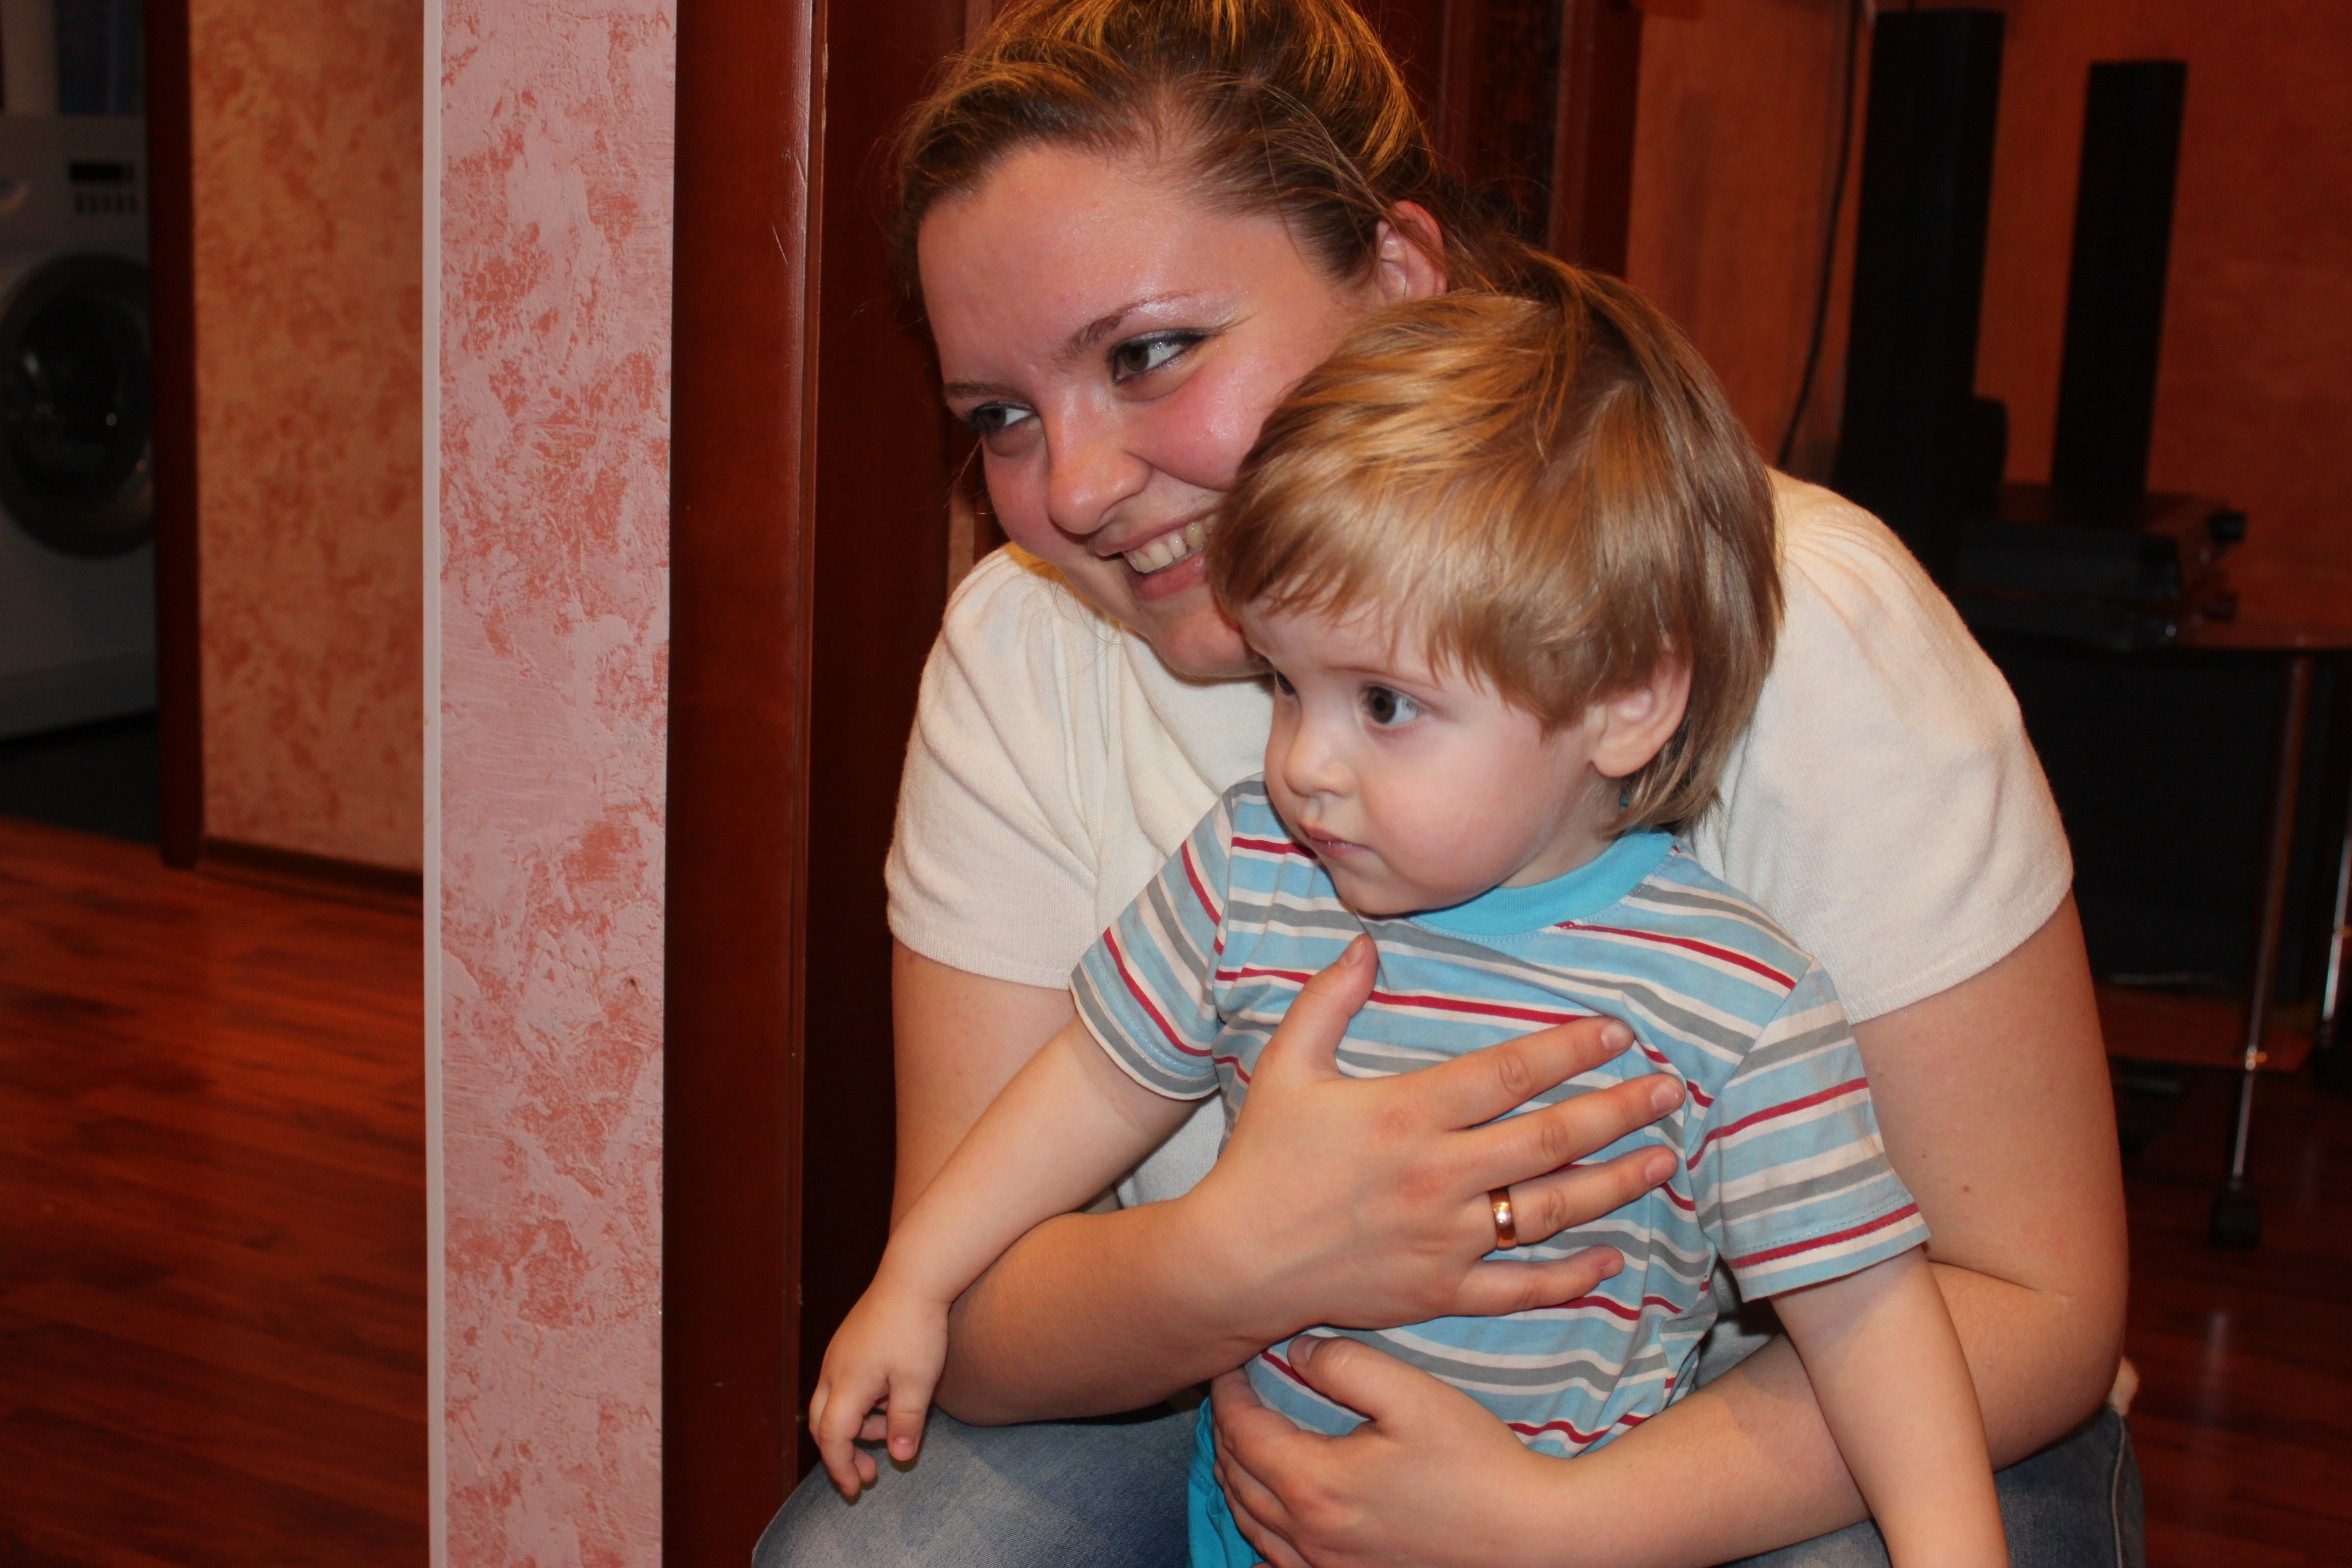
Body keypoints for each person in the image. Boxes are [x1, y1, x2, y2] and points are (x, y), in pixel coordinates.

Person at [758, 2, 2134, 1564]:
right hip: (1241, 1394)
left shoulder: (1808, 620)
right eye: (999, 419)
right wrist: (1243, 1253)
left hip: (1777, 1408)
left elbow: (2026, 1302)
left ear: (1402, 277)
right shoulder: (1048, 672)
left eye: (1149, 352)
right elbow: (981, 1302)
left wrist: (1566, 1522)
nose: (1072, 489)